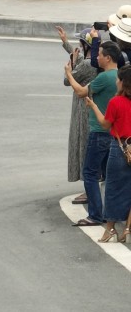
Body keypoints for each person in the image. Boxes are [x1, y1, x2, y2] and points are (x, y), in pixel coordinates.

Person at [66, 41, 123, 227]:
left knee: (90, 173)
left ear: (108, 58)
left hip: (99, 131)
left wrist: (69, 73)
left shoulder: (104, 78)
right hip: (113, 133)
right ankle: (109, 213)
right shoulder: (119, 77)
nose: (96, 57)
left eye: (99, 54)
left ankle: (95, 215)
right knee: (108, 175)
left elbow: (82, 92)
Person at [83, 65, 131, 243]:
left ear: (124, 83)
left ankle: (110, 228)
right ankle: (127, 227)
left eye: (119, 79)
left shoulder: (116, 102)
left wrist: (94, 106)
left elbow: (105, 124)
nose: (116, 81)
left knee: (113, 189)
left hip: (120, 148)